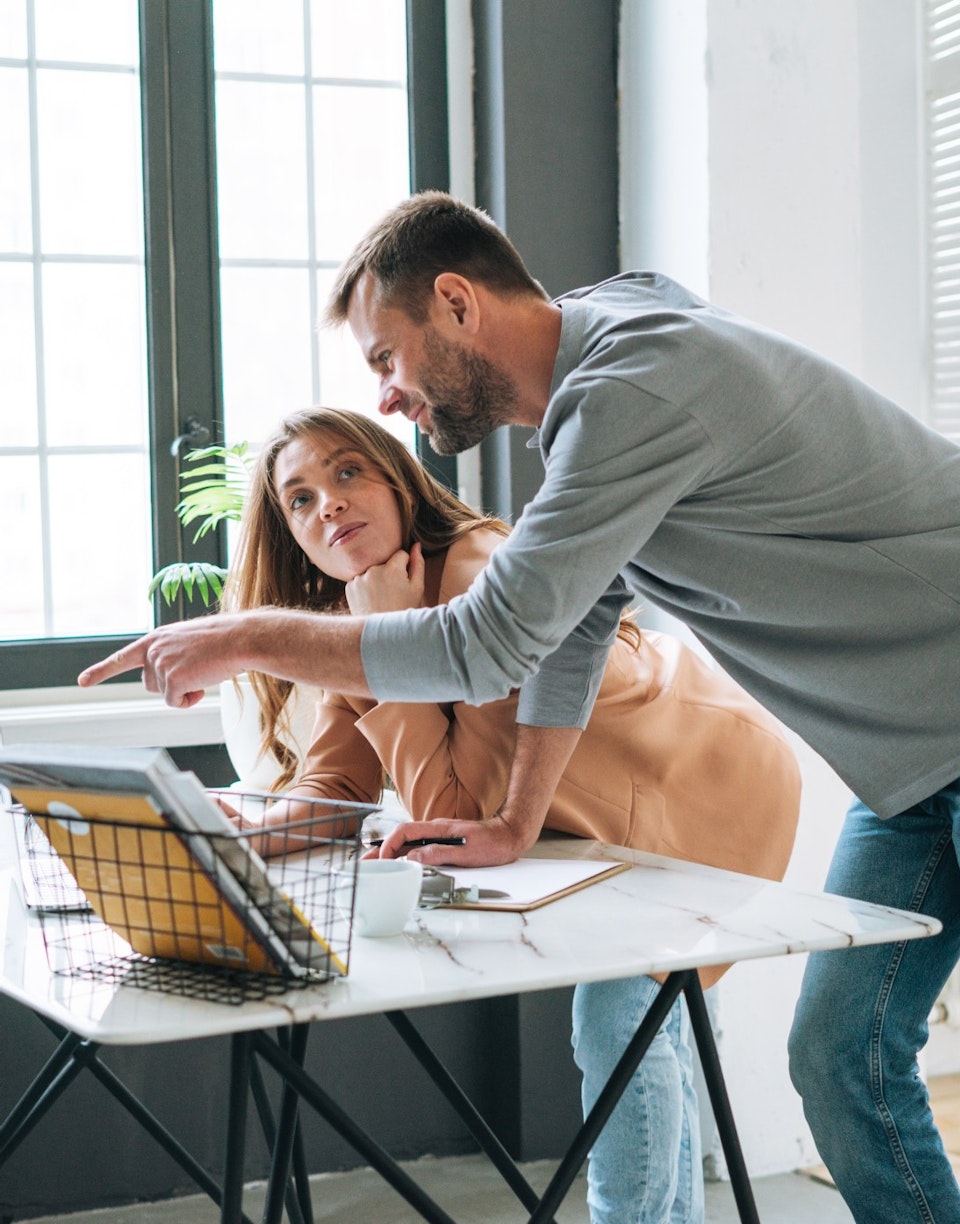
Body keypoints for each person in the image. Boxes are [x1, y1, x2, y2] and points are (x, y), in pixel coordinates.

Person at [79, 191, 960, 1223]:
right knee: (838, 1060)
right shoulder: (607, 365)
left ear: (456, 303)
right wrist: (514, 820)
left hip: (797, 770)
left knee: (707, 1031)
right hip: (910, 774)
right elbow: (578, 620)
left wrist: (237, 636)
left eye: (385, 359)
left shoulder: (635, 385)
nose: (390, 397)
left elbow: (488, 641)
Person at [222, 405, 800, 1224]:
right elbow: (333, 788)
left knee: (621, 1013)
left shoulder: (477, 573)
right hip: (596, 820)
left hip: (703, 779)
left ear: (399, 479)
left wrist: (387, 634)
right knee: (642, 1022)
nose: (330, 505)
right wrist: (247, 834)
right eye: (301, 500)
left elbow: (465, 810)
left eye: (347, 472)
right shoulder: (357, 613)